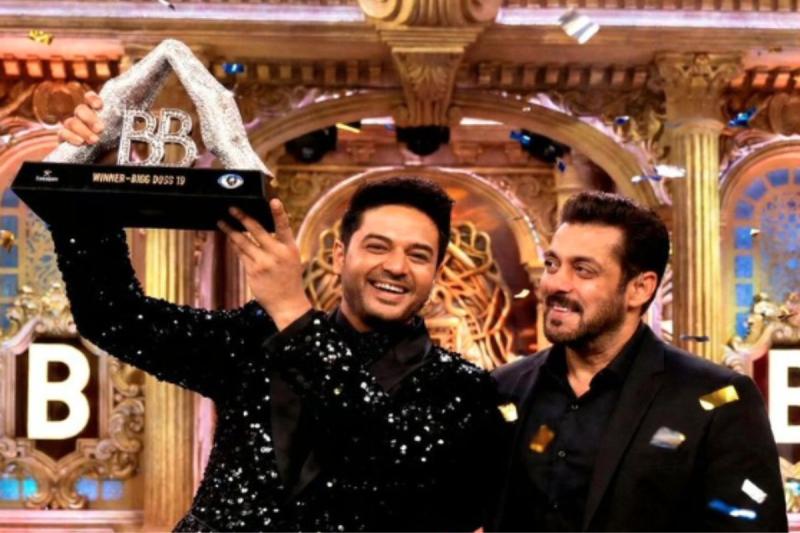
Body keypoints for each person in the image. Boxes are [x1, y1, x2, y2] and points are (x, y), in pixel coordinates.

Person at [54, 93, 500, 531]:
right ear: (340, 254)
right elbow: (114, 317)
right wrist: (93, 178)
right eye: (377, 246)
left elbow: (390, 463)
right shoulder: (257, 337)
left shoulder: (463, 389)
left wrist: (292, 312)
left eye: (418, 255)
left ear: (437, 271)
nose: (396, 267)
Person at [489, 191, 787, 532]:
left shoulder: (717, 400)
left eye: (583, 270)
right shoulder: (503, 388)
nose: (556, 283)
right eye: (552, 264)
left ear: (640, 289)